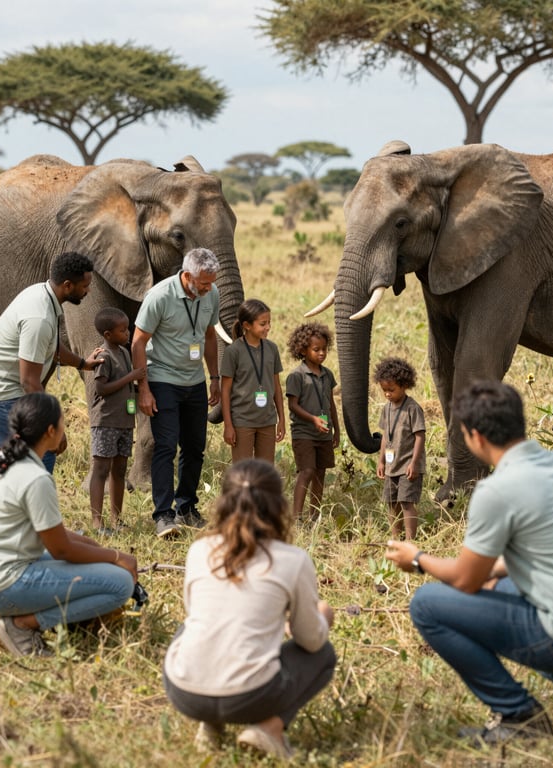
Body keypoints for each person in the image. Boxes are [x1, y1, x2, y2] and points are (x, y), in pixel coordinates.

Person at [385, 381, 553, 747]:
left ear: (475, 437)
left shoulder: (496, 490)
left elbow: (465, 581)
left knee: (428, 606)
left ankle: (519, 715)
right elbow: (550, 550)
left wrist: (418, 559)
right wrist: (496, 572)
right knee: (497, 584)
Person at [163, 459, 336, 759]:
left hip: (185, 691)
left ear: (223, 502)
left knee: (188, 626)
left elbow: (200, 614)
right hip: (251, 697)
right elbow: (310, 640)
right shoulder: (293, 560)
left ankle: (210, 725)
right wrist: (323, 616)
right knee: (323, 655)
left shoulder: (199, 550)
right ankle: (269, 728)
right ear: (279, 505)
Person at [0, 393, 137, 658]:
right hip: (2, 583)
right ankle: (22, 625)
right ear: (51, 431)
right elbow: (62, 551)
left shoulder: (4, 460)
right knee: (121, 584)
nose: (66, 428)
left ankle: (69, 622)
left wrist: (92, 547)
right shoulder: (36, 479)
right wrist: (116, 556)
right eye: (63, 422)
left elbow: (48, 534)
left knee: (88, 551)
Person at [0, 251, 104, 472]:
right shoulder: (38, 317)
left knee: (26, 459)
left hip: (8, 387)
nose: (88, 291)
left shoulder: (43, 294)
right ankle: (19, 502)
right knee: (39, 456)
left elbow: (52, 345)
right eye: (85, 286)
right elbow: (29, 381)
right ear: (68, 285)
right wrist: (53, 426)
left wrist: (82, 363)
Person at [131, 248, 221, 538]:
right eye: (204, 283)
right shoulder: (159, 297)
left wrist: (215, 377)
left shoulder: (212, 294)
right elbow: (138, 342)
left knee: (195, 447)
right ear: (186, 275)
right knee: (166, 446)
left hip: (195, 381)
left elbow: (209, 335)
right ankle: (163, 514)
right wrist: (143, 389)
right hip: (162, 379)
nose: (208, 288)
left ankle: (187, 507)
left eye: (211, 283)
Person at [88, 307, 146, 534]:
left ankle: (116, 518)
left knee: (120, 470)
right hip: (105, 421)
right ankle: (97, 521)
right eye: (122, 330)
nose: (128, 333)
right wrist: (131, 377)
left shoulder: (123, 352)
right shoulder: (104, 355)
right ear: (107, 334)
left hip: (124, 421)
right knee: (101, 468)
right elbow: (101, 387)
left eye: (128, 328)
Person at [285, 322, 340, 518]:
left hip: (324, 432)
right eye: (316, 349)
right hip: (304, 433)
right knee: (306, 472)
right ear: (302, 349)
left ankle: (314, 516)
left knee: (320, 474)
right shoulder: (296, 376)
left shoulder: (327, 374)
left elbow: (331, 403)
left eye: (324, 349)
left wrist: (337, 430)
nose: (322, 353)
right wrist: (313, 419)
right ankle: (296, 517)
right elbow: (293, 405)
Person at [220, 299, 285, 463]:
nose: (268, 327)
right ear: (247, 325)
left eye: (269, 322)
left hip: (267, 420)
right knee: (243, 473)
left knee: (265, 472)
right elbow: (225, 391)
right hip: (242, 422)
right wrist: (228, 425)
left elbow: (277, 387)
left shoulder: (272, 349)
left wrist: (281, 420)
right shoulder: (233, 351)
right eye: (263, 324)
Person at [374, 357, 426, 540]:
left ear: (404, 386)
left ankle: (411, 541)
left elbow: (420, 436)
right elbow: (384, 438)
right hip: (391, 466)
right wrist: (381, 461)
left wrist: (414, 463)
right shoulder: (386, 408)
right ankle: (396, 538)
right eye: (384, 390)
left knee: (406, 502)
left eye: (391, 390)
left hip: (407, 466)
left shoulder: (413, 408)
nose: (387, 394)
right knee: (391, 502)